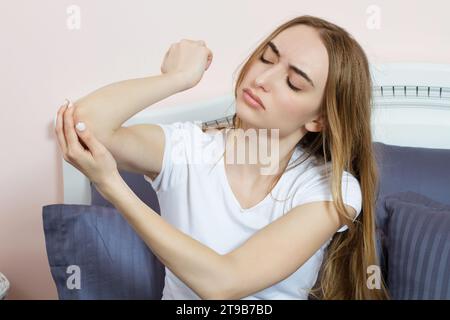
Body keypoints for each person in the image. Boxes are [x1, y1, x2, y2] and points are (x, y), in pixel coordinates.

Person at [59, 15, 390, 299]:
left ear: (318, 120)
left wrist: (113, 186)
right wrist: (176, 79)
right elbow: (83, 124)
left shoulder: (331, 189)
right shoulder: (187, 148)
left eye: (292, 82)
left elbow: (223, 284)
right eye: (266, 58)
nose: (261, 80)